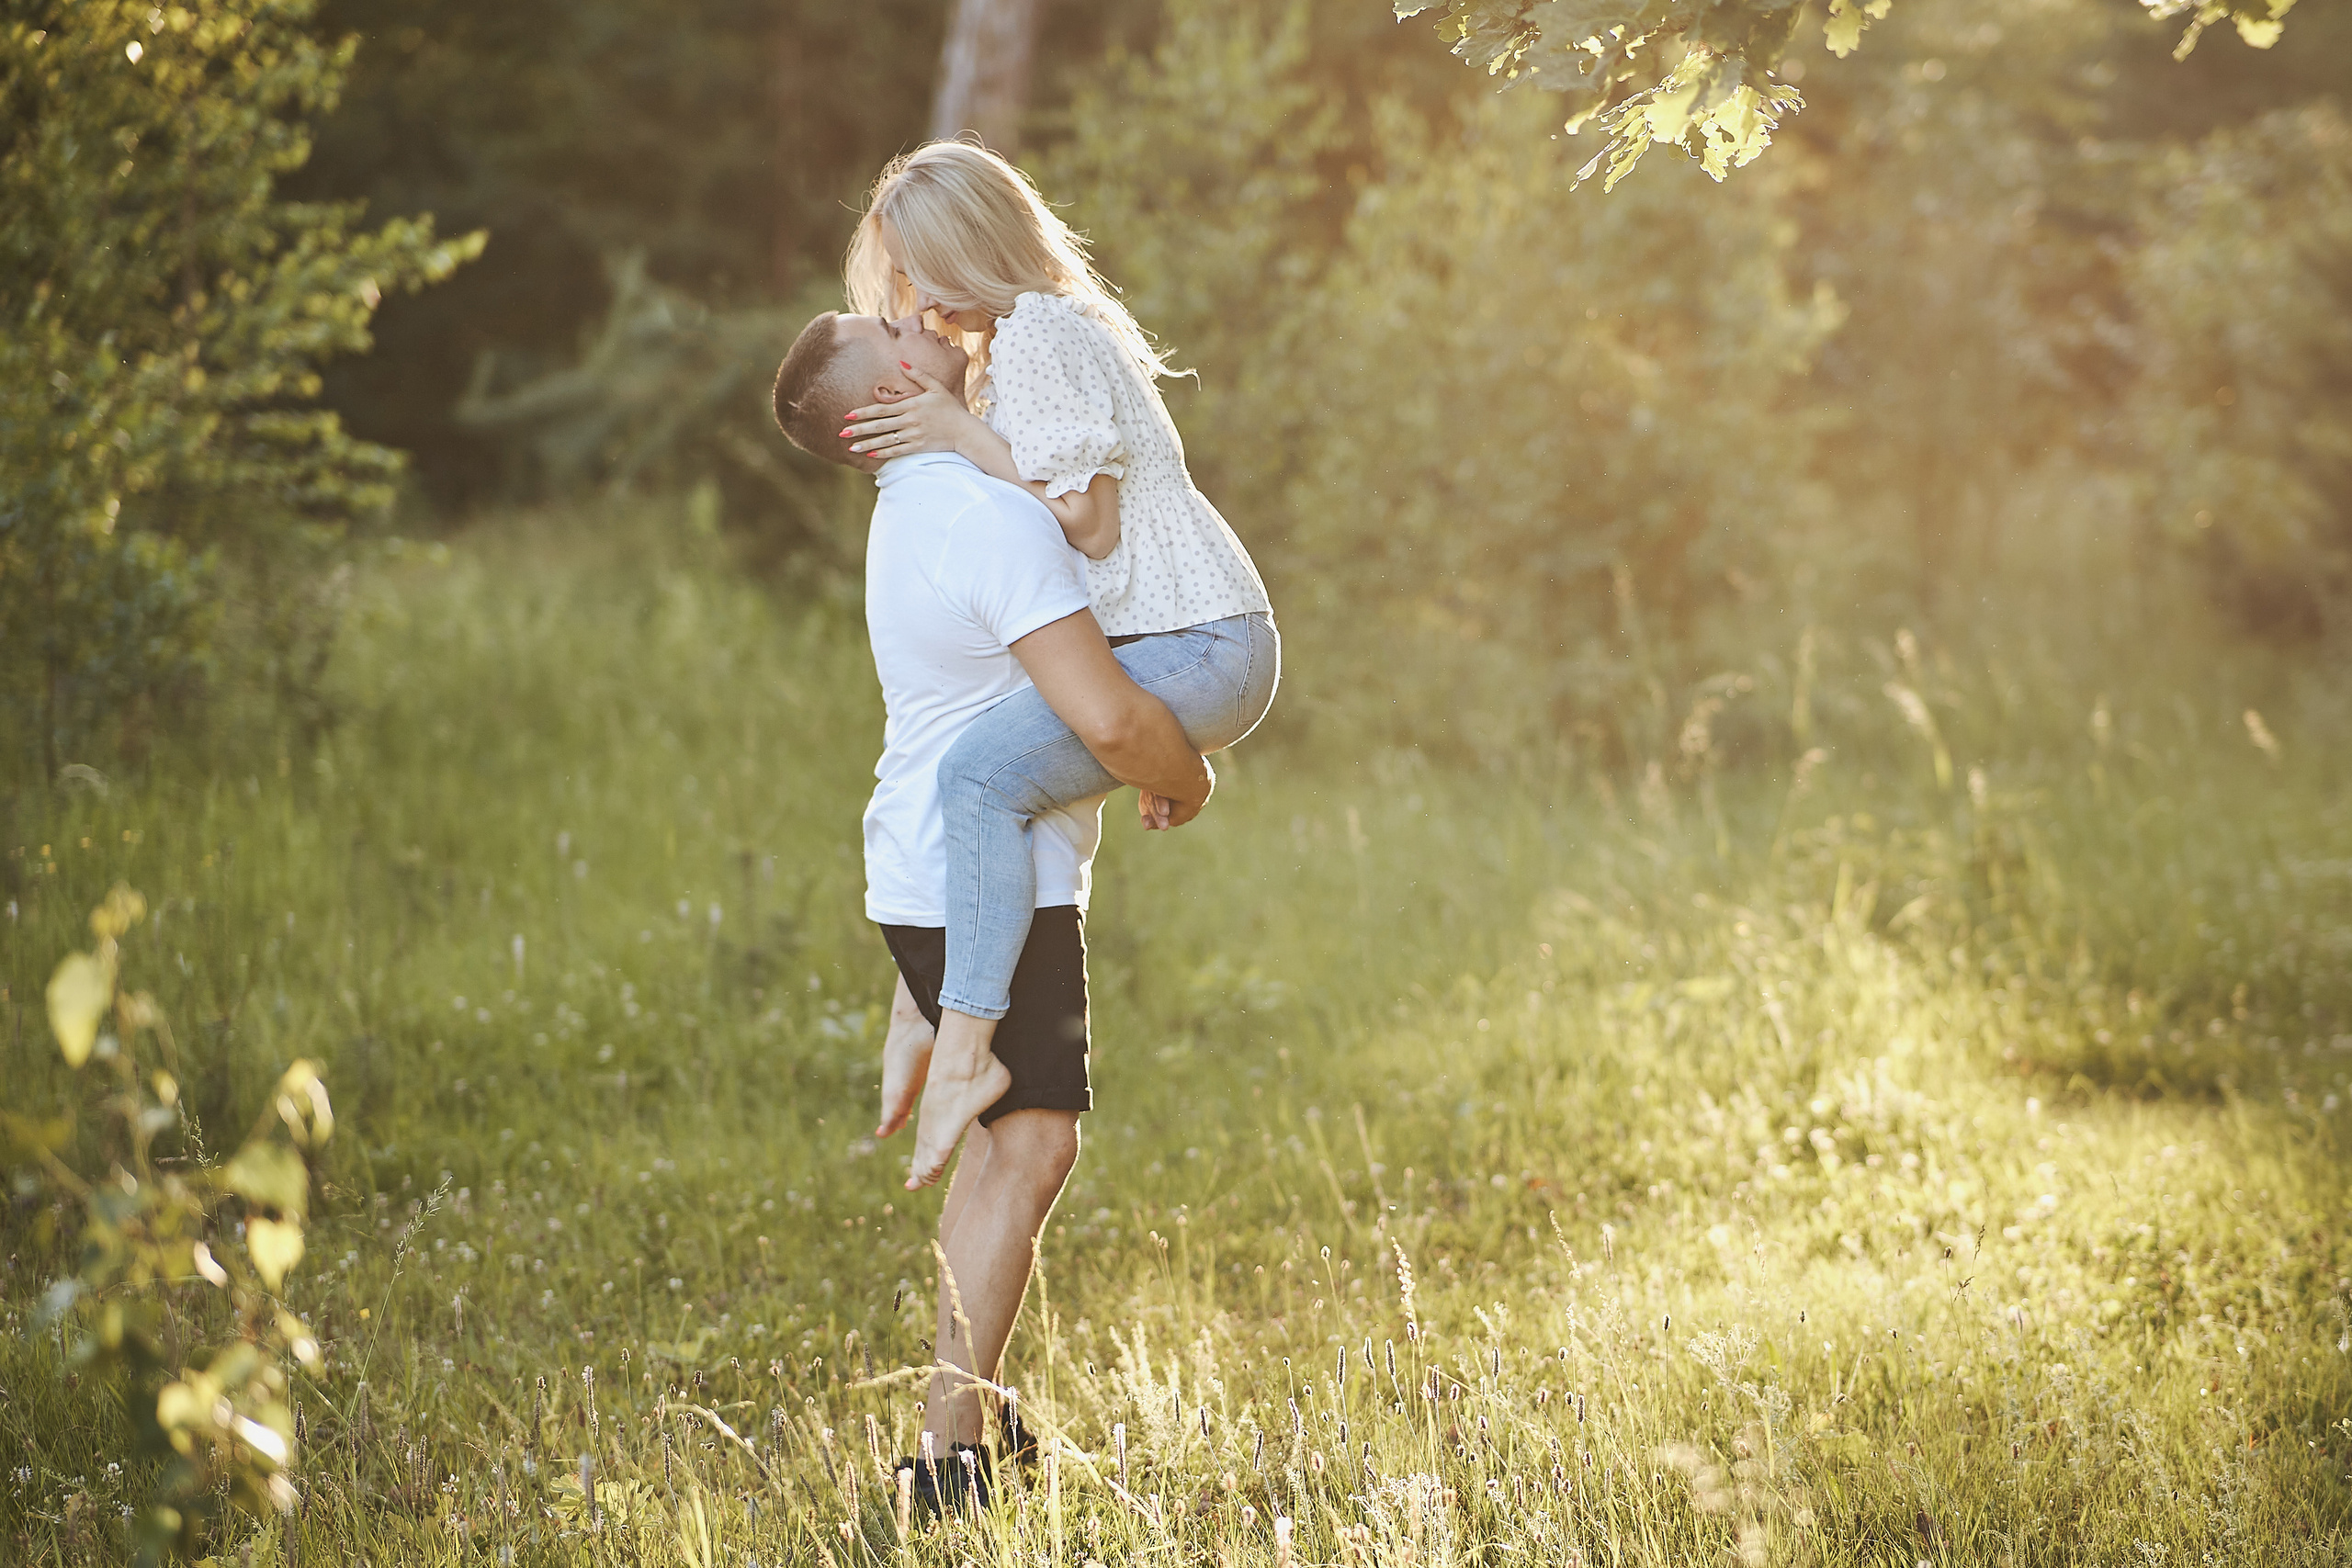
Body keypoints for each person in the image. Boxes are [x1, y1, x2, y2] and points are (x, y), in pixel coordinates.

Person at [770, 305, 1209, 1509]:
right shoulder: (985, 514)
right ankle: (947, 1462)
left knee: (1007, 1145)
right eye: (888, 330)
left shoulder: (921, 505)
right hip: (982, 879)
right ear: (889, 398)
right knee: (1034, 1143)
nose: (913, 320)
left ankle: (959, 1429)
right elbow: (1107, 714)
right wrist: (1184, 769)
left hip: (929, 871)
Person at [836, 141, 1280, 1190]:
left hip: (1202, 640)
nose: (921, 302)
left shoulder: (1038, 335)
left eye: (922, 272)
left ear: (971, 249)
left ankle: (962, 1054)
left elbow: (1083, 520)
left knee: (980, 779)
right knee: (985, 764)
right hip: (1189, 642)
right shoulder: (1031, 339)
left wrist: (954, 429)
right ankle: (927, 1017)